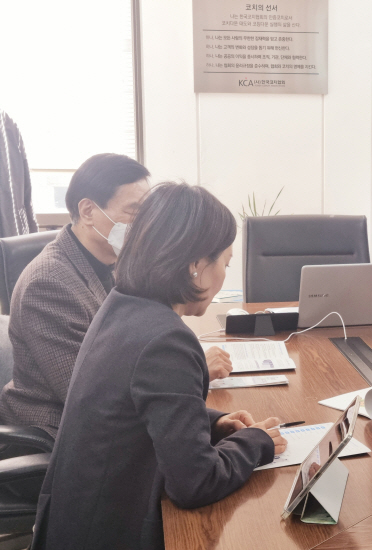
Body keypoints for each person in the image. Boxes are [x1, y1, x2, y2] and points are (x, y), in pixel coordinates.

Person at [28, 182, 287, 550]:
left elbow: (131, 407)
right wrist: (256, 442)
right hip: (110, 541)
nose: (223, 278)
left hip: (74, 527)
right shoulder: (166, 340)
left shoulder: (123, 305)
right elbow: (194, 483)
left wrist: (210, 423)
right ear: (197, 265)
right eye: (224, 264)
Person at [0, 153, 231, 439]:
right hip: (57, 434)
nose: (145, 222)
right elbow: (89, 395)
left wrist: (213, 418)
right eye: (135, 211)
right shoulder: (48, 284)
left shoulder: (118, 265)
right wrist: (193, 374)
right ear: (88, 211)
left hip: (109, 422)